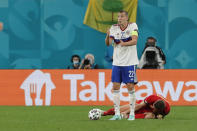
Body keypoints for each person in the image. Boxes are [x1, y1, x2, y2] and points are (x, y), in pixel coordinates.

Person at [105, 10, 139, 120]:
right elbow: (109, 43)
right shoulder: (114, 28)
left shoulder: (133, 26)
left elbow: (134, 41)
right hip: (117, 63)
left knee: (130, 87)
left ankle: (132, 113)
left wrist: (123, 43)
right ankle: (117, 114)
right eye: (118, 16)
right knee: (115, 88)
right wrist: (107, 36)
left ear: (126, 18)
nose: (119, 18)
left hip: (130, 62)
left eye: (121, 16)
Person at [101, 94, 170, 119]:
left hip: (150, 113)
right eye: (153, 106)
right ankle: (104, 113)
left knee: (150, 116)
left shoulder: (167, 110)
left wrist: (160, 117)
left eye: (154, 109)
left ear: (159, 110)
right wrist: (125, 112)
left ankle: (126, 117)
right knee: (121, 109)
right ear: (153, 104)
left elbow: (162, 116)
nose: (152, 108)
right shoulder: (152, 97)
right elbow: (139, 106)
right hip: (141, 106)